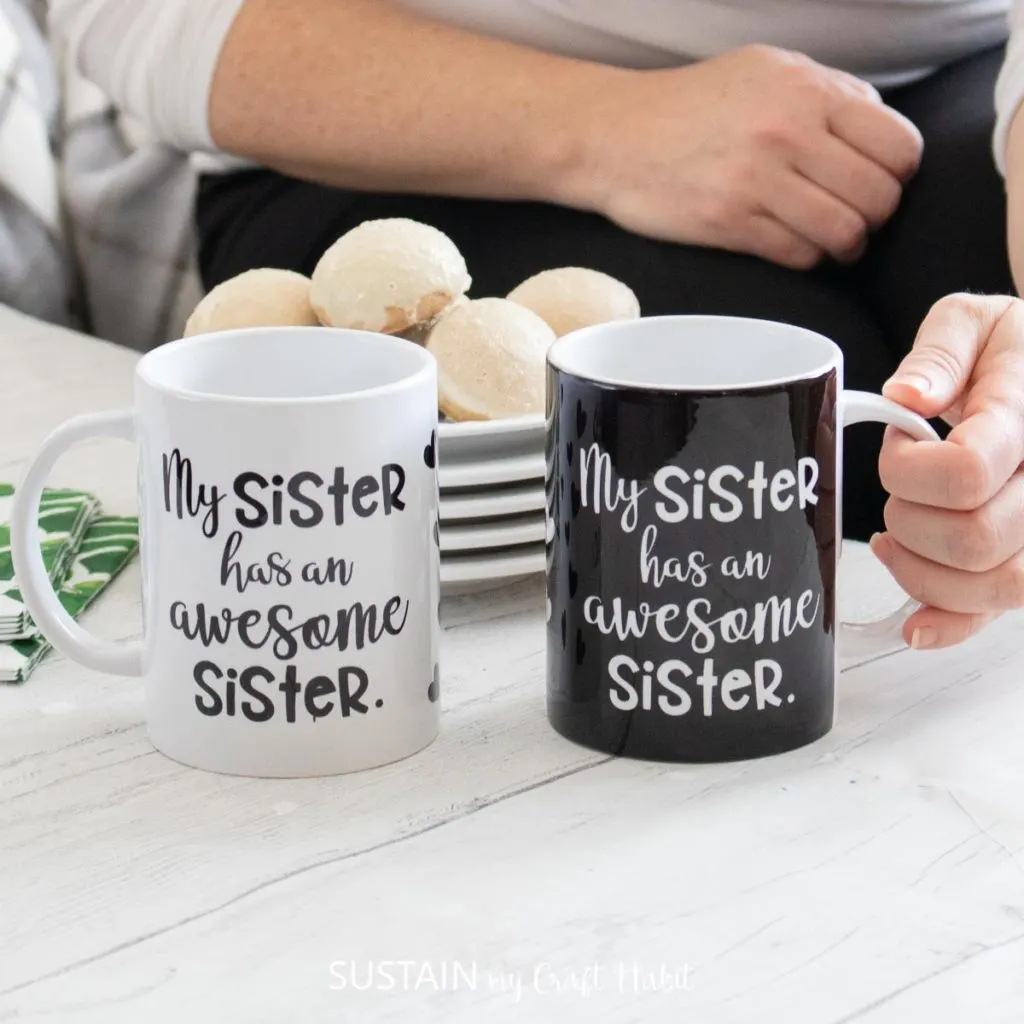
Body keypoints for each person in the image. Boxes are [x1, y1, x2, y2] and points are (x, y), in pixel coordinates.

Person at [45, 0, 1024, 649]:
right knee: (720, 472)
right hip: (405, 115)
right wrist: (609, 130)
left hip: (953, 77)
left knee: (967, 436)